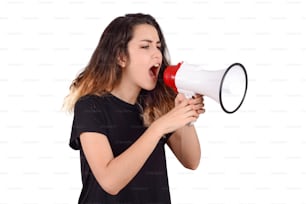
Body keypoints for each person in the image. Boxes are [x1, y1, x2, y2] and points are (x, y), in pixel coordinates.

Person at [63, 13, 205, 204]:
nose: (157, 54)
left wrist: (186, 115)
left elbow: (191, 160)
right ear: (121, 57)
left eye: (158, 46)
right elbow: (109, 181)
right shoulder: (91, 106)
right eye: (145, 46)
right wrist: (159, 127)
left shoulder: (157, 104)